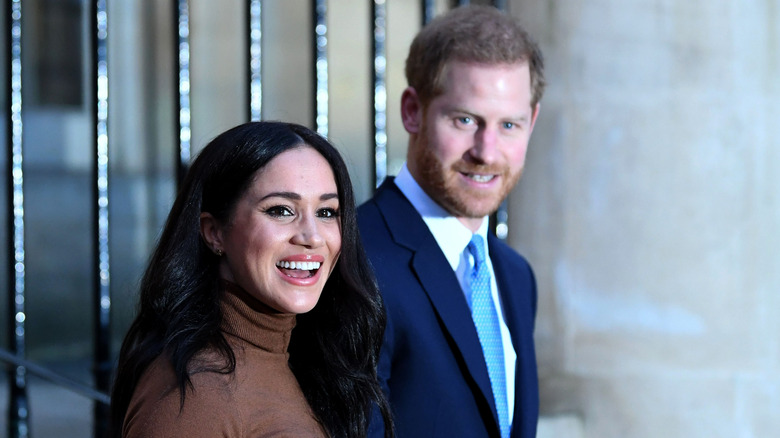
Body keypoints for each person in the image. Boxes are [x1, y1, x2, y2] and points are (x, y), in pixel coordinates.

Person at [110, 121, 393, 437]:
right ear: (214, 232)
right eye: (280, 210)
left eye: (326, 212)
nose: (312, 237)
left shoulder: (303, 358)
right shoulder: (194, 398)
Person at [358, 5, 545, 438]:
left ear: (532, 122)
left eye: (509, 125)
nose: (486, 150)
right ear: (412, 111)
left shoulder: (516, 276)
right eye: (465, 120)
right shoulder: (355, 259)